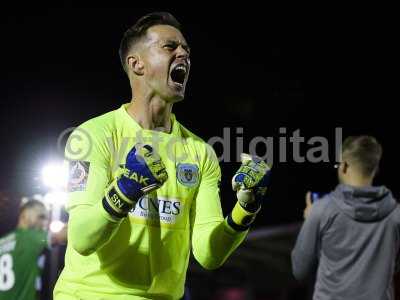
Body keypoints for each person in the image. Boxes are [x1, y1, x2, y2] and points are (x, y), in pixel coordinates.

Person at [53, 12, 271, 300]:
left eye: (186, 50)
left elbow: (208, 254)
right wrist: (125, 190)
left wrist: (245, 210)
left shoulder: (200, 151)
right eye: (170, 47)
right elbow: (81, 237)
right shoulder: (92, 135)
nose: (183, 54)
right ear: (137, 64)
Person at [292, 135, 400, 300]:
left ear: (344, 166)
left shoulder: (321, 211)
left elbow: (300, 270)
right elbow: (395, 265)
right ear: (374, 168)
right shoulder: (396, 214)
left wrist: (310, 220)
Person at [0, 199, 66, 300]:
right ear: (24, 215)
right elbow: (62, 236)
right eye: (41, 217)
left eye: (46, 218)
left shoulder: (2, 241)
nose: (44, 222)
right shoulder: (31, 237)